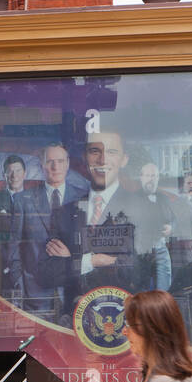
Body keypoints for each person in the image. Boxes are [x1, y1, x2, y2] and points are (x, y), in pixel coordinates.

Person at [38, 132, 159, 313]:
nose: (102, 160)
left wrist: (72, 261)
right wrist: (93, 260)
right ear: (85, 158)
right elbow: (47, 275)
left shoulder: (143, 208)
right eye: (95, 151)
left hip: (125, 321)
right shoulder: (64, 212)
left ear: (124, 159)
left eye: (111, 152)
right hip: (74, 324)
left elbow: (138, 273)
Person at [14, 142, 85, 316]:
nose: (55, 167)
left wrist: (72, 258)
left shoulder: (83, 198)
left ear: (67, 164)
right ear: (41, 165)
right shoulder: (22, 200)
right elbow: (13, 247)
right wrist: (20, 285)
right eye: (50, 161)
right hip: (34, 292)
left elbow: (89, 245)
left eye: (60, 161)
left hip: (73, 289)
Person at [0, 154, 27, 297]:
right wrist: (6, 264)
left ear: (25, 173)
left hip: (31, 269)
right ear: (4, 175)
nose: (14, 175)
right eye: (10, 171)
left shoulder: (35, 199)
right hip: (3, 267)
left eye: (18, 171)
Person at [135, 161, 175, 291]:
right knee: (142, 292)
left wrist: (171, 228)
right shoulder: (131, 199)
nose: (150, 179)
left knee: (164, 291)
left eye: (154, 176)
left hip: (160, 248)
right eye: (147, 175)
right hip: (140, 251)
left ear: (158, 179)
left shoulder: (165, 199)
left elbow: (174, 219)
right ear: (141, 177)